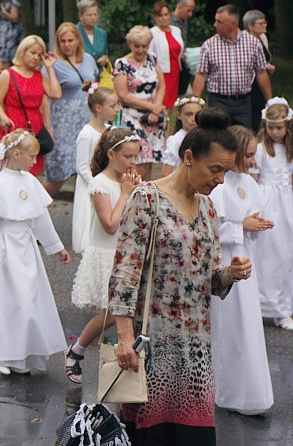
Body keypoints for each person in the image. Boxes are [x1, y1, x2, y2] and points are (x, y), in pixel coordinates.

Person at [110, 108, 250, 445]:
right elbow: (124, 274)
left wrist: (230, 273)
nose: (220, 179)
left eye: (226, 172)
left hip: (196, 356)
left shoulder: (207, 209)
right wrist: (124, 337)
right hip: (150, 351)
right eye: (215, 169)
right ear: (189, 157)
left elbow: (210, 281)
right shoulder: (148, 200)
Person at [0, 129, 71, 376]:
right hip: (5, 249)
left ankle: (22, 354)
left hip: (26, 248)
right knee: (6, 302)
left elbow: (40, 217)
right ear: (16, 154)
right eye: (32, 156)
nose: (35, 162)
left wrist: (56, 247)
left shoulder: (29, 181)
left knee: (28, 301)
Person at [65, 128, 141, 384]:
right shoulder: (100, 184)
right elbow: (110, 224)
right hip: (107, 255)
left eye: (135, 157)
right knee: (112, 313)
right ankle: (78, 349)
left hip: (129, 255)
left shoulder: (130, 181)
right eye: (127, 157)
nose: (132, 162)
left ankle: (126, 368)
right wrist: (127, 194)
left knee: (128, 314)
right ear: (111, 154)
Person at [209, 125, 274, 416]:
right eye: (247, 155)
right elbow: (209, 226)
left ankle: (248, 391)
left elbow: (256, 214)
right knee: (226, 326)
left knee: (247, 326)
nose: (251, 162)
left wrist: (259, 224)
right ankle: (224, 390)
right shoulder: (218, 185)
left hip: (244, 260)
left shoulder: (248, 182)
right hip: (224, 262)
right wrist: (240, 227)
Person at [42, 22, 99, 196]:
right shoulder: (53, 63)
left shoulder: (88, 59)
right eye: (63, 41)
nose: (67, 45)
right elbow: (45, 95)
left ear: (78, 40)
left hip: (86, 118)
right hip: (63, 122)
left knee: (85, 171)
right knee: (59, 173)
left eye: (70, 40)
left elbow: (93, 84)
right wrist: (48, 126)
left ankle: (80, 217)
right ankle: (35, 209)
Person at [192, 4, 272, 129]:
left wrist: (269, 100)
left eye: (219, 22)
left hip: (243, 101)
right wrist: (195, 102)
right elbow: (201, 74)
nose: (215, 25)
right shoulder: (209, 45)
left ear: (233, 24)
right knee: (217, 136)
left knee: (243, 137)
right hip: (218, 100)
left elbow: (261, 72)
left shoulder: (253, 43)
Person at [0, 35, 60, 177]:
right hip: (14, 126)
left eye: (39, 54)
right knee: (11, 170)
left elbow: (56, 93)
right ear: (23, 51)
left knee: (31, 171)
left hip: (34, 128)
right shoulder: (8, 74)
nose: (36, 58)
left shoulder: (39, 75)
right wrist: (3, 118)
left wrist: (50, 68)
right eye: (33, 53)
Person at [253, 98, 293, 330]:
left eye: (279, 127)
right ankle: (259, 306)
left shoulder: (289, 150)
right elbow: (255, 179)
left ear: (287, 126)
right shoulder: (260, 150)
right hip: (266, 203)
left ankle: (282, 308)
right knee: (266, 253)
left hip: (286, 205)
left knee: (285, 254)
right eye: (270, 127)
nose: (275, 132)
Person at [113, 25, 166, 182]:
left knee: (149, 162)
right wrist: (152, 107)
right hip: (132, 116)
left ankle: (146, 195)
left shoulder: (152, 59)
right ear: (130, 44)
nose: (141, 50)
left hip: (153, 118)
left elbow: (162, 85)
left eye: (144, 46)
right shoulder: (122, 63)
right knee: (136, 161)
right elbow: (123, 95)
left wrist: (156, 111)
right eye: (137, 46)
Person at [72, 86, 120, 253]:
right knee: (89, 221)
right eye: (113, 106)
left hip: (107, 182)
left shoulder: (111, 131)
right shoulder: (86, 134)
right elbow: (82, 167)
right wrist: (98, 185)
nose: (117, 109)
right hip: (91, 184)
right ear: (99, 108)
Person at [244, 9, 275, 132]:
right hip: (250, 81)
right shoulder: (245, 41)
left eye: (265, 23)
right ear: (251, 26)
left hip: (262, 79)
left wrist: (268, 67)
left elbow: (263, 60)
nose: (264, 25)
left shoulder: (263, 38)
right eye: (260, 23)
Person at [149, 2, 184, 110]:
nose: (164, 18)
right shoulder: (152, 33)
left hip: (175, 70)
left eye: (166, 14)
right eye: (160, 15)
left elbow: (179, 48)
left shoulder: (176, 30)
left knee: (173, 104)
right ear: (155, 17)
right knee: (163, 103)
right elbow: (150, 54)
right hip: (161, 72)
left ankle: (169, 124)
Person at [162, 96, 205, 176]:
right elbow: (166, 173)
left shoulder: (206, 137)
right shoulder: (175, 140)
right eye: (189, 114)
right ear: (179, 115)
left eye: (197, 114)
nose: (193, 119)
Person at [170, 0, 195, 95]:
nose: (190, 14)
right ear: (180, 7)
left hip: (182, 60)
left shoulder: (184, 22)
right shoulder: (169, 22)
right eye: (188, 10)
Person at [76, 0, 108, 68]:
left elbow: (105, 54)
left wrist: (105, 60)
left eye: (95, 14)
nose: (93, 18)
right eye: (89, 15)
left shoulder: (102, 33)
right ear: (80, 16)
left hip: (99, 76)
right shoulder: (73, 32)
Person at [0, 0, 23, 67]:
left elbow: (15, 18)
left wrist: (5, 12)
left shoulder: (13, 2)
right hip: (1, 34)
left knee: (10, 56)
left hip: (10, 33)